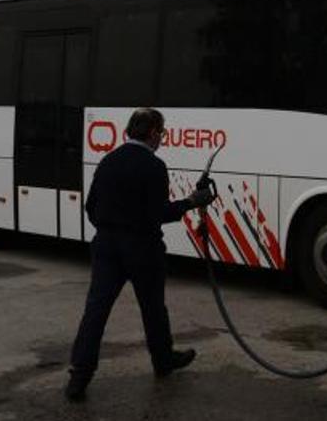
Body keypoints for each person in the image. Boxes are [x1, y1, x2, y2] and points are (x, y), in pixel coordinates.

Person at [65, 108, 215, 402]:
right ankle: (162, 361)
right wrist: (191, 201)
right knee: (153, 308)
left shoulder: (108, 161)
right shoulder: (154, 166)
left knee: (96, 310)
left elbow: (91, 207)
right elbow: (158, 214)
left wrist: (111, 229)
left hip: (106, 246)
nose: (162, 138)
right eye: (162, 132)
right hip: (142, 249)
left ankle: (79, 376)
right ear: (152, 134)